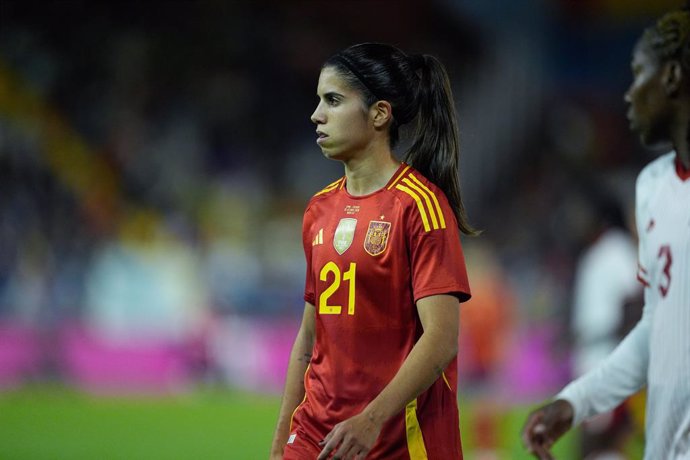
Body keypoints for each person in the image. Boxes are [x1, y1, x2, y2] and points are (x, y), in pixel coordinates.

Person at [270, 43, 475, 460]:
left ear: (379, 114)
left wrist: (371, 419)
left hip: (394, 439)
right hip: (315, 435)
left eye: (333, 100)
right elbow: (309, 340)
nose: (316, 115)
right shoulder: (317, 211)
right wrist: (279, 447)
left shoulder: (421, 207)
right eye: (317, 101)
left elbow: (441, 339)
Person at [522, 8, 690, 460]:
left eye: (640, 77)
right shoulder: (654, 189)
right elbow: (656, 326)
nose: (630, 95)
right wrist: (575, 401)